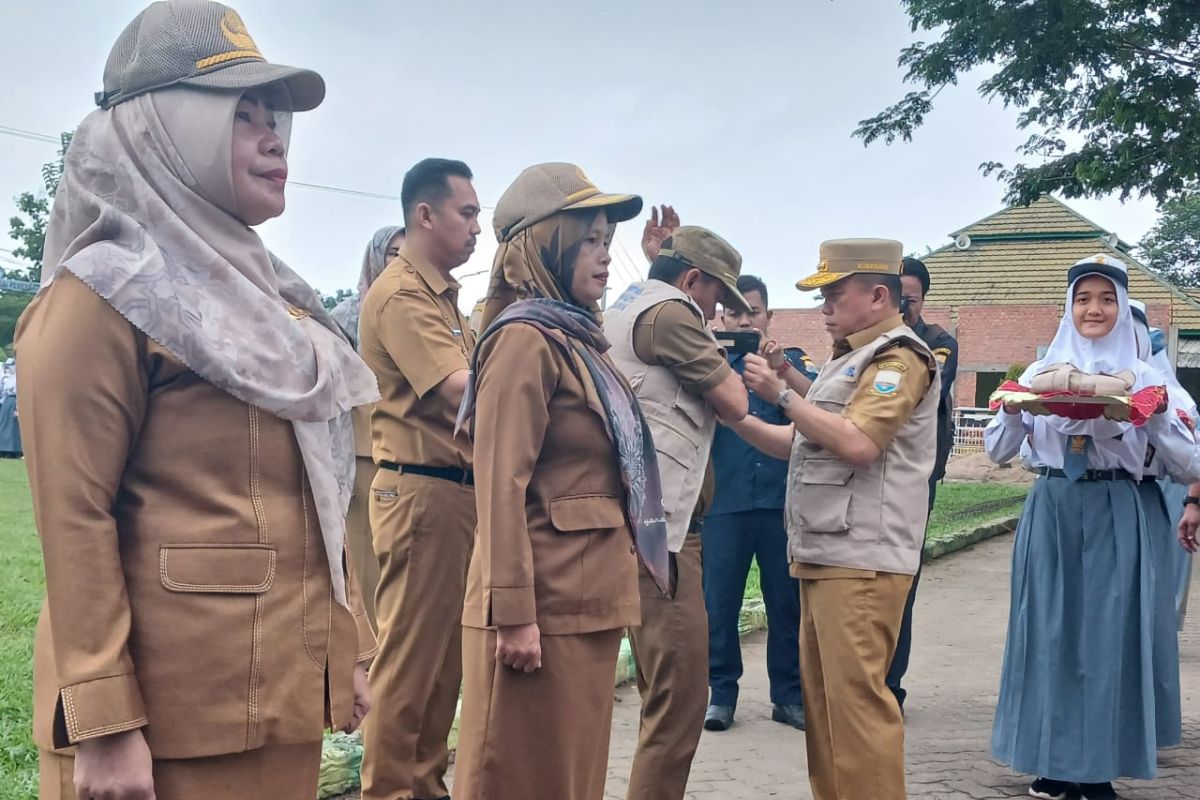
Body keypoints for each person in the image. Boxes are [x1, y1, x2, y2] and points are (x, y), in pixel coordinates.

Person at [16, 3, 378, 798]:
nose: (275, 137)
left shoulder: (274, 301)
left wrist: (342, 652)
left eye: (273, 116)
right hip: (162, 735)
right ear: (162, 128)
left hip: (274, 706)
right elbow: (73, 518)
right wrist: (105, 725)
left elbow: (315, 504)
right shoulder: (99, 297)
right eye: (241, 115)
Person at [453, 162, 668, 800]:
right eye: (591, 239)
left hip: (585, 600)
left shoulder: (575, 337)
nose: (605, 256)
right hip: (539, 611)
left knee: (567, 780)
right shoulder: (526, 339)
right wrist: (514, 615)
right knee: (517, 779)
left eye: (608, 240)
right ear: (546, 243)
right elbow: (500, 485)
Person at [729, 239, 939, 800]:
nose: (824, 307)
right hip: (827, 553)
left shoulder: (899, 358)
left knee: (859, 716)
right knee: (826, 716)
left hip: (863, 560)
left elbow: (860, 442)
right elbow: (798, 441)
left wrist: (783, 394)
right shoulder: (850, 359)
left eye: (833, 294)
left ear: (877, 294)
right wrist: (736, 415)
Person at [984, 256, 1200, 800]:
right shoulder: (1039, 374)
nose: (1094, 309)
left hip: (1116, 504)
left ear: (1123, 308)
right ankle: (1049, 761)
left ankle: (1098, 766)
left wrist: (1151, 418)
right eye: (1083, 299)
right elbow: (997, 450)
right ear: (1069, 307)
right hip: (1053, 503)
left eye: (1107, 299)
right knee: (1047, 631)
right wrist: (1012, 407)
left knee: (1107, 637)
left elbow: (1190, 463)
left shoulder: (1149, 377)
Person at [604, 225, 751, 800]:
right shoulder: (673, 314)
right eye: (717, 297)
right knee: (681, 695)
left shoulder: (632, 302)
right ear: (692, 280)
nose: (718, 313)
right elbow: (735, 402)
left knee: (661, 688)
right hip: (661, 531)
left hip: (636, 516)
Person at [357, 158, 480, 800]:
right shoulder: (404, 293)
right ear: (424, 215)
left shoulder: (442, 295)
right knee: (409, 664)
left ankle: (423, 785)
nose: (478, 228)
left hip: (449, 494)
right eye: (467, 213)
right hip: (422, 491)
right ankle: (387, 791)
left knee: (444, 666)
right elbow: (460, 390)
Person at [702, 274, 817, 733]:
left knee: (785, 605)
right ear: (720, 318)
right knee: (719, 604)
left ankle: (787, 696)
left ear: (769, 315)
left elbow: (821, 403)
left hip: (777, 503)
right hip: (723, 502)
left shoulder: (790, 362)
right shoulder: (708, 365)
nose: (744, 319)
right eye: (734, 313)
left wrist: (782, 372)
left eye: (752, 310)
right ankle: (720, 695)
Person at [886, 256, 960, 710]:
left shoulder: (938, 343)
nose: (902, 306)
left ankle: (891, 686)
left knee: (902, 582)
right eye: (895, 297)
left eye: (908, 298)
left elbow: (917, 383)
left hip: (917, 477)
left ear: (922, 299)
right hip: (871, 471)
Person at [330, 225, 405, 631]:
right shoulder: (346, 318)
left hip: (404, 455)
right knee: (363, 564)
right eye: (394, 253)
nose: (401, 262)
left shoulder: (418, 313)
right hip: (360, 452)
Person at [0, 358, 20, 458]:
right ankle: (3, 448)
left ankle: (12, 450)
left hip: (14, 401)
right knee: (3, 425)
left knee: (12, 427)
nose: (9, 368)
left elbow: (19, 393)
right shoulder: (6, 378)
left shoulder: (18, 378)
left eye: (10, 366)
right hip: (6, 401)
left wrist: (17, 408)